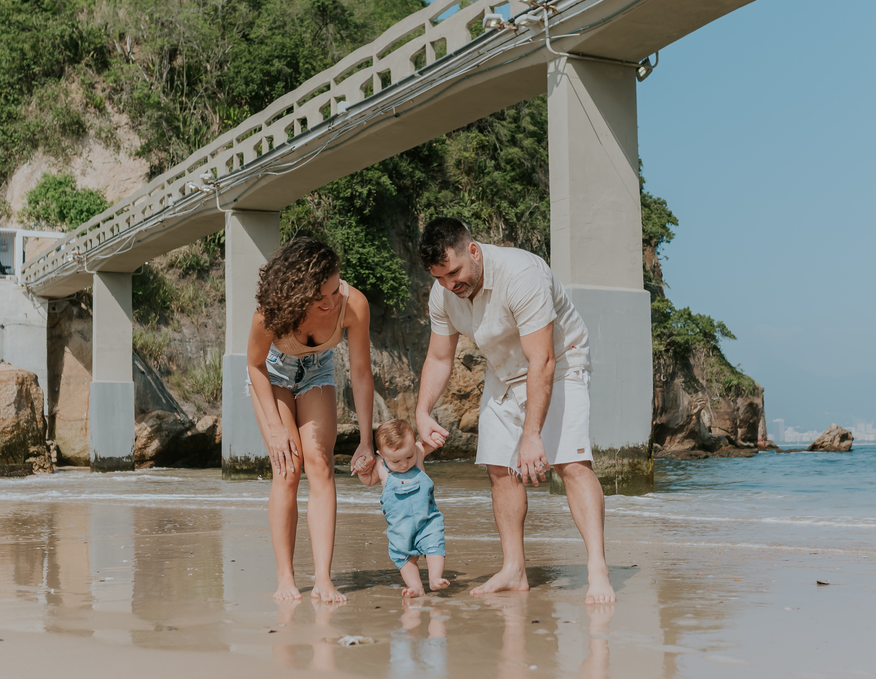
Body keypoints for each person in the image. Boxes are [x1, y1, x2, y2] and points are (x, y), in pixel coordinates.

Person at [414, 217, 616, 605]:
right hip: (504, 369)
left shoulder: (522, 273)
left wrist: (532, 434)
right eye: (440, 277)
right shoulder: (444, 294)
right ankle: (514, 569)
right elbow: (439, 357)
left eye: (454, 273)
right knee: (499, 468)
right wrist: (423, 412)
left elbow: (541, 360)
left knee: (570, 464)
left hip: (560, 362)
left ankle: (597, 568)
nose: (450, 284)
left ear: (473, 250)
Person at [247, 237, 375, 602]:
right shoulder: (268, 314)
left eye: (336, 290)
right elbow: (254, 365)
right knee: (288, 468)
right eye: (322, 298)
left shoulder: (353, 305)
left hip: (318, 372)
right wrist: (275, 429)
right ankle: (285, 578)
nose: (333, 301)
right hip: (272, 374)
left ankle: (323, 578)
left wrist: (367, 440)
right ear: (297, 295)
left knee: (319, 465)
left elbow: (362, 374)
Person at [356, 418, 448, 597]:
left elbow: (432, 443)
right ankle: (415, 586)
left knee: (434, 546)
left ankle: (435, 578)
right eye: (396, 461)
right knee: (403, 556)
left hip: (428, 520)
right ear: (381, 454)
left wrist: (436, 437)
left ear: (414, 446)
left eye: (409, 456)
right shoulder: (380, 467)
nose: (405, 464)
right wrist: (361, 469)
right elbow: (367, 481)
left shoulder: (418, 453)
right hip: (400, 527)